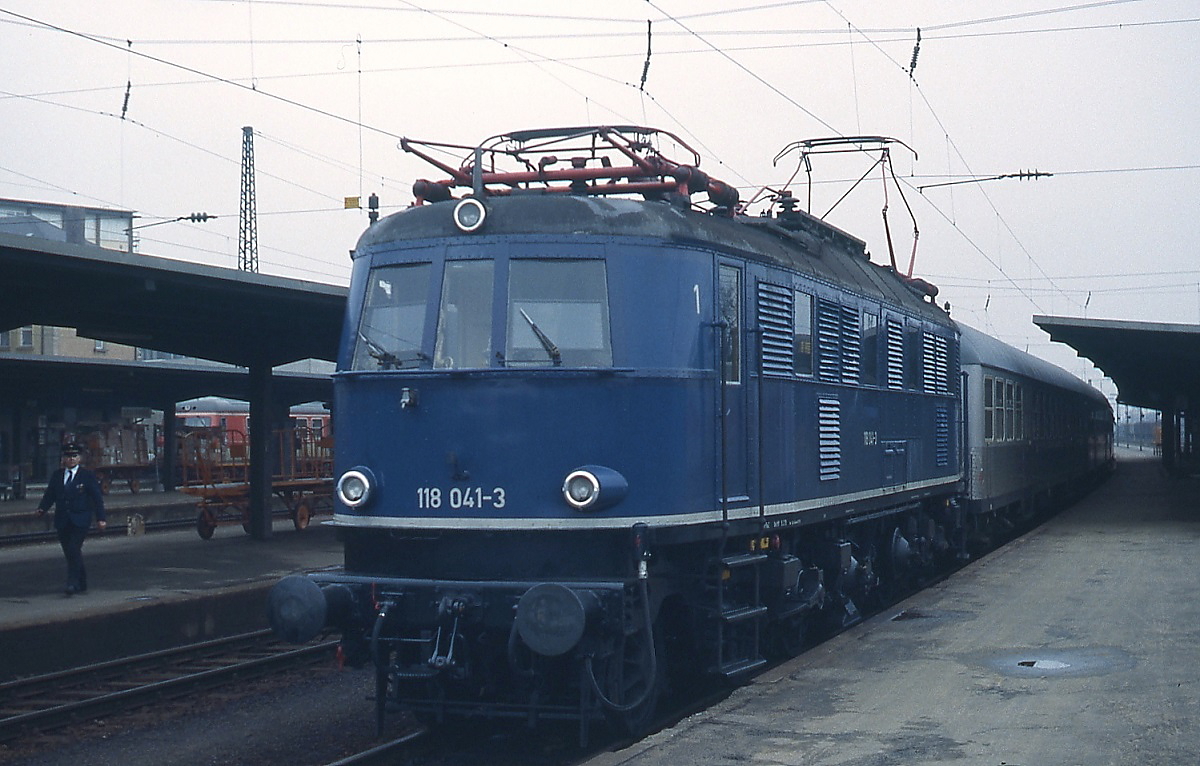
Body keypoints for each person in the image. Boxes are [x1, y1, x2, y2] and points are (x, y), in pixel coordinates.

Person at [36, 442, 106, 595]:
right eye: (68, 456)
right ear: (63, 459)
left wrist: (101, 518)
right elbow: (50, 495)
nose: (71, 459)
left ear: (79, 458)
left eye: (74, 456)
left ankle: (72, 583)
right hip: (62, 519)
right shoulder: (57, 476)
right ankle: (82, 581)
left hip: (81, 519)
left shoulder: (87, 476)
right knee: (70, 552)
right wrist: (42, 508)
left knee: (74, 549)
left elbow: (97, 498)